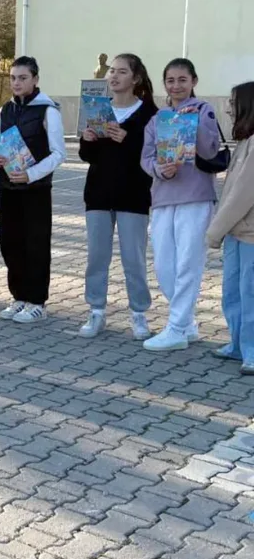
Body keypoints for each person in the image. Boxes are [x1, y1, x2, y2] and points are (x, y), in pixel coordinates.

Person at [139, 58, 222, 351]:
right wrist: (161, 170)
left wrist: (195, 123)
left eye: (182, 80)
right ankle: (186, 324)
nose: (176, 86)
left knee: (188, 264)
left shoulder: (204, 110)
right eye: (171, 81)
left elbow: (210, 149)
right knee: (164, 266)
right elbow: (146, 158)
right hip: (163, 197)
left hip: (196, 197)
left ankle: (176, 327)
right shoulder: (157, 118)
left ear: (193, 82)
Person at [77, 54, 157, 339]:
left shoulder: (149, 113)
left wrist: (128, 139)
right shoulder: (99, 109)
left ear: (135, 78)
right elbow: (89, 156)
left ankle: (139, 314)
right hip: (98, 195)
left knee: (133, 259)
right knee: (97, 257)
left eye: (121, 72)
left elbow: (153, 152)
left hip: (133, 196)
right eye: (112, 71)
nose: (113, 76)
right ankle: (96, 311)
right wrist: (87, 142)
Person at [0, 55, 65, 324]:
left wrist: (31, 175)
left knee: (36, 245)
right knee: (10, 244)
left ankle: (37, 302)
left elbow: (58, 154)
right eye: (13, 78)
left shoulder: (48, 111)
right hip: (7, 187)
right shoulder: (4, 111)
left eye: (23, 77)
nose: (17, 82)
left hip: (36, 190)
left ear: (35, 79)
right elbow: (1, 146)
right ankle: (18, 297)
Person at [207, 82, 254, 374]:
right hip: (237, 233)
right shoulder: (245, 141)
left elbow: (242, 195)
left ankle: (252, 350)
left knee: (250, 293)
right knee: (232, 291)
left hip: (249, 234)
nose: (227, 107)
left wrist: (214, 231)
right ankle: (238, 343)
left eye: (232, 101)